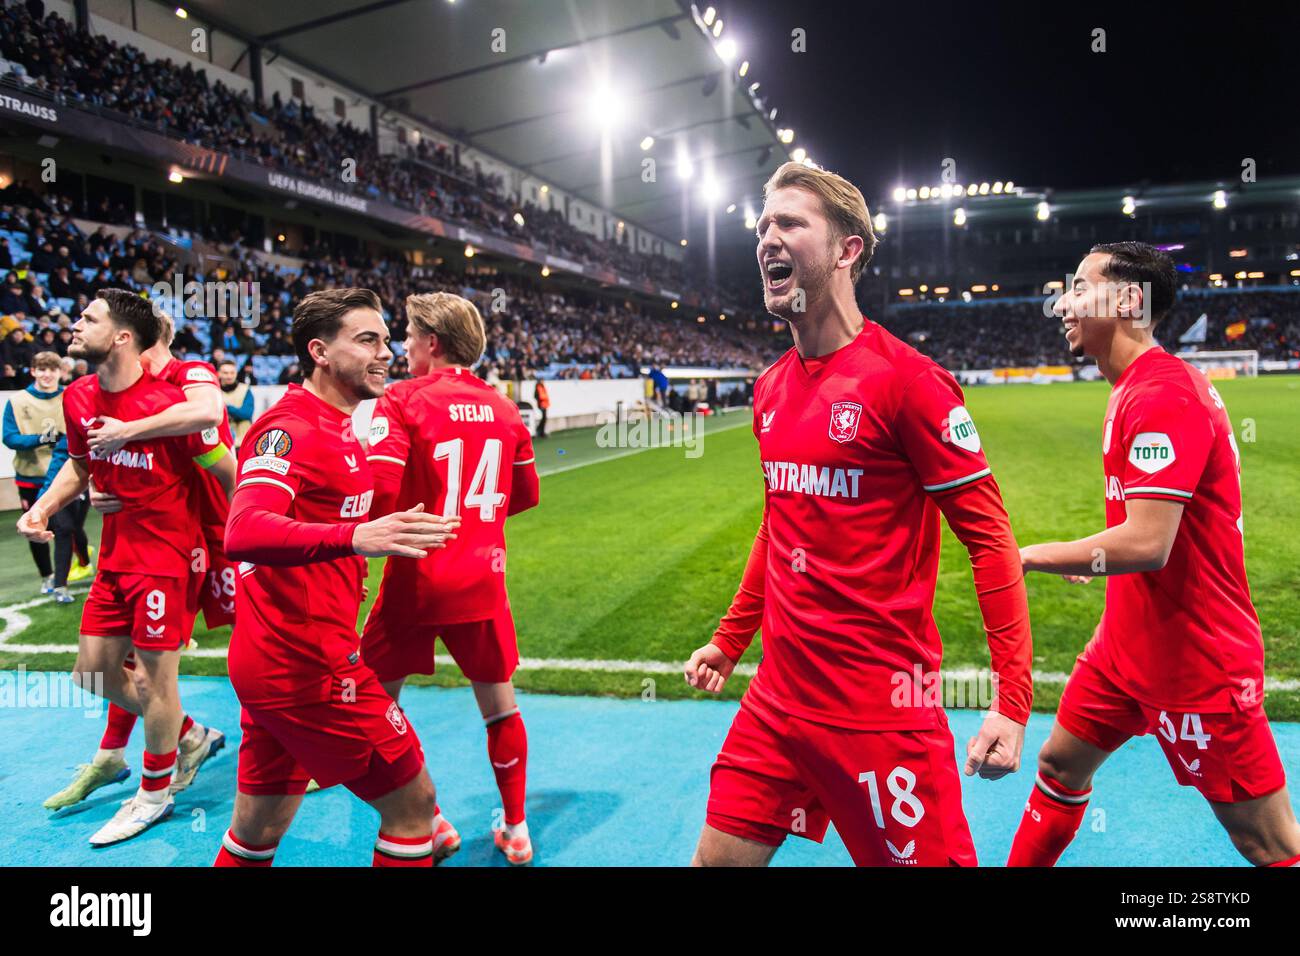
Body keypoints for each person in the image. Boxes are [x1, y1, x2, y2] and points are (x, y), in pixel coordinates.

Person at [683, 162, 1033, 867]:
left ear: (848, 250)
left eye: (789, 223)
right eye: (761, 226)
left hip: (880, 714)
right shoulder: (770, 388)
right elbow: (779, 524)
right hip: (775, 706)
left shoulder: (911, 383)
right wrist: (730, 640)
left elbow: (990, 540)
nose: (766, 239)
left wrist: (1012, 701)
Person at [1008, 242, 1300, 867]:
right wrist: (1095, 557)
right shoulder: (1132, 388)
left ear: (1129, 301)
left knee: (1267, 843)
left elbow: (1147, 543)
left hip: (1197, 658)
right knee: (1060, 765)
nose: (1063, 301)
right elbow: (1139, 532)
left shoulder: (1162, 395)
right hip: (1125, 647)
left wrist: (1033, 556)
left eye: (1081, 286)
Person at [216, 288, 460, 867]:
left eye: (384, 338)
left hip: (279, 660)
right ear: (320, 351)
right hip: (307, 666)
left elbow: (309, 526)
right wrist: (356, 539)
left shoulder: (344, 424)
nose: (385, 353)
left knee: (257, 832)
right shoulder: (289, 429)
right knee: (414, 805)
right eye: (367, 340)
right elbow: (244, 529)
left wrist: (348, 568)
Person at [18, 289, 236, 844]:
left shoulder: (178, 396)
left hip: (167, 553)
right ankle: (189, 736)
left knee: (155, 678)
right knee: (92, 672)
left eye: (87, 317)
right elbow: (80, 464)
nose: (74, 323)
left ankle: (154, 793)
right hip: (116, 552)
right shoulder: (78, 395)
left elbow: (222, 461)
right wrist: (45, 507)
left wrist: (243, 534)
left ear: (122, 336)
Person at [362, 292, 540, 865]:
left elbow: (381, 496)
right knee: (500, 708)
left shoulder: (403, 399)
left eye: (409, 336)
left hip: (417, 580)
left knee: (372, 702)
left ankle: (428, 817)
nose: (401, 347)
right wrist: (474, 524)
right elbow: (525, 496)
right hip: (482, 579)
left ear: (433, 343)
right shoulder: (504, 407)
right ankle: (515, 827)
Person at [4, 349, 91, 596]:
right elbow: (9, 437)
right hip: (31, 477)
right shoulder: (18, 401)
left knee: (68, 527)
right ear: (33, 371)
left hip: (68, 474)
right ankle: (47, 576)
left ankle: (73, 570)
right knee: (35, 526)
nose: (47, 375)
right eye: (41, 369)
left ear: (60, 372)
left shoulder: (71, 395)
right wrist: (41, 439)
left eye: (52, 369)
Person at [218, 358, 254, 447]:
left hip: (243, 442)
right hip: (221, 444)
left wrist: (226, 407)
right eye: (225, 373)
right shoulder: (214, 390)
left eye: (232, 373)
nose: (229, 376)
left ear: (236, 373)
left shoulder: (245, 390)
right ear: (219, 373)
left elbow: (246, 413)